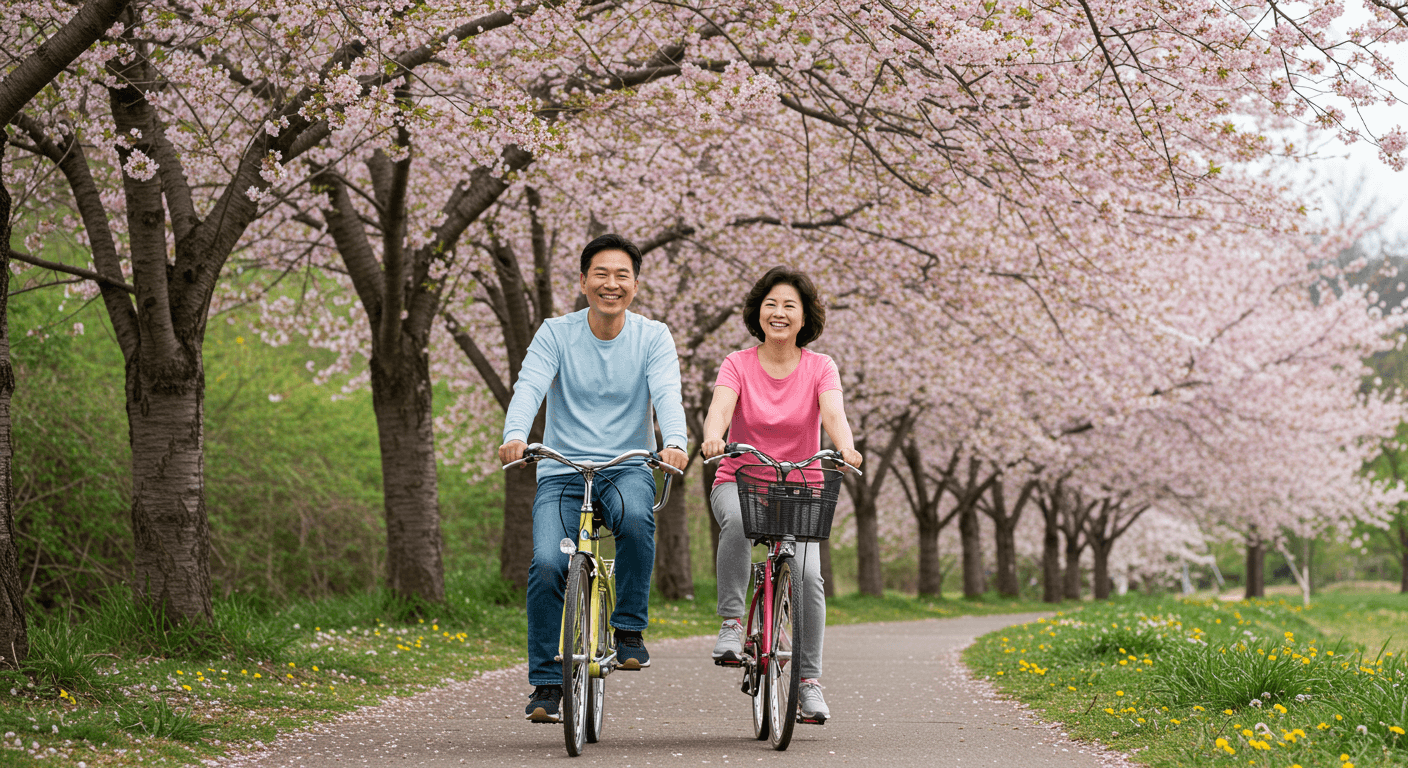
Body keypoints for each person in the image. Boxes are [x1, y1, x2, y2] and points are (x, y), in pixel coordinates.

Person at [499, 234, 689, 723]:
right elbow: (530, 385)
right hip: (562, 467)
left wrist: (675, 441)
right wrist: (516, 433)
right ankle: (545, 683)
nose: (612, 284)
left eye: (622, 275)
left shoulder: (653, 336)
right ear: (583, 282)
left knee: (634, 520)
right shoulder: (555, 333)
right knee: (546, 564)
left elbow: (667, 391)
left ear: (635, 285)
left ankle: (628, 628)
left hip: (626, 464)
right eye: (601, 274)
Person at [700, 266, 862, 723]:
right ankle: (732, 624)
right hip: (741, 479)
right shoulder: (738, 363)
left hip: (800, 484)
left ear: (805, 316)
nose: (779, 312)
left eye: (790, 305)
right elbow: (720, 409)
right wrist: (714, 437)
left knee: (809, 578)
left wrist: (846, 447)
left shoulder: (819, 366)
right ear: (758, 311)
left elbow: (833, 412)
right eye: (772, 303)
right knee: (734, 522)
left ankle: (808, 682)